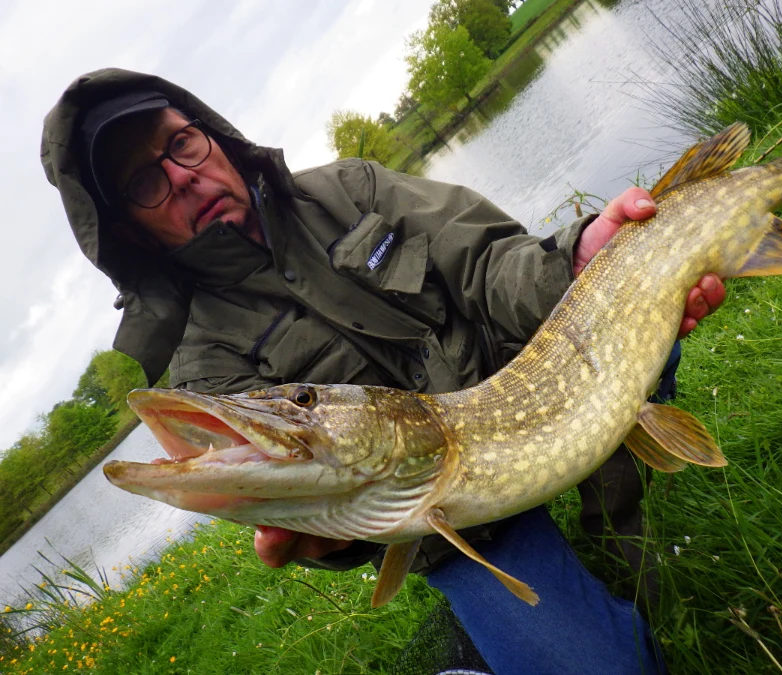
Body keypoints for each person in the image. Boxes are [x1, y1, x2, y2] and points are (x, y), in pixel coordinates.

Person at [43, 69, 724, 675]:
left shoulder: (347, 189)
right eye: (145, 181)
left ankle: (617, 513)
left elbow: (488, 264)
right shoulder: (201, 366)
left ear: (211, 135)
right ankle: (493, 634)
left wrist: (575, 261)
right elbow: (316, 507)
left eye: (181, 143)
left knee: (635, 312)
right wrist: (319, 537)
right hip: (439, 523)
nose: (183, 174)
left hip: (517, 384)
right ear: (130, 228)